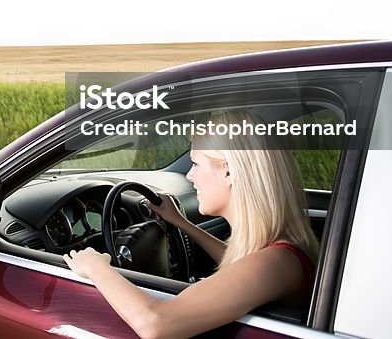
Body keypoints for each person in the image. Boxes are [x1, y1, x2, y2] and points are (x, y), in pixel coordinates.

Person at [64, 110, 319, 339]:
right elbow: (240, 267)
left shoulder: (277, 262)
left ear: (229, 172)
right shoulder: (278, 254)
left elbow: (155, 325)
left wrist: (96, 267)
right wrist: (180, 223)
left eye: (196, 163)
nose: (189, 175)